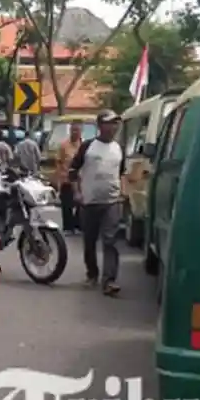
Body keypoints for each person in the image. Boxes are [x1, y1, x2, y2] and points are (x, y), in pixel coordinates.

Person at [68, 110, 126, 296]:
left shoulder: (118, 148)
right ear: (100, 126)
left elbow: (121, 173)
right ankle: (92, 273)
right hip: (90, 201)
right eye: (110, 123)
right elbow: (73, 171)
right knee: (90, 240)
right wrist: (77, 193)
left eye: (116, 123)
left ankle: (109, 281)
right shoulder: (88, 147)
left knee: (110, 241)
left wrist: (123, 193)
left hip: (112, 201)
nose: (114, 127)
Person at [54, 119, 85, 234]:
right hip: (66, 179)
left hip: (80, 180)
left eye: (78, 130)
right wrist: (58, 180)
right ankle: (68, 228)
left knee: (80, 205)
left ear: (81, 132)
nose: (75, 132)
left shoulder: (84, 146)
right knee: (66, 205)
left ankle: (78, 226)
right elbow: (58, 162)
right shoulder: (64, 146)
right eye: (73, 130)